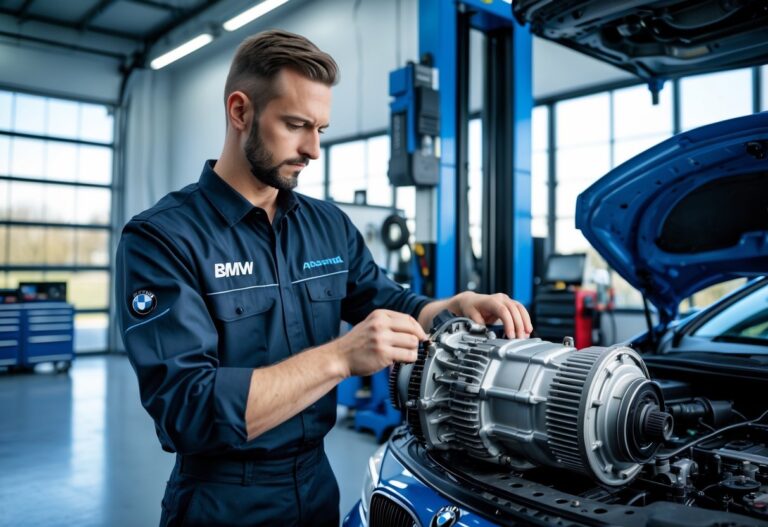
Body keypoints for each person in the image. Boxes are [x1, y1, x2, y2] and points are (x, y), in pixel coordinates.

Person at [116, 29, 532, 527]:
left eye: (321, 129)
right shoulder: (163, 239)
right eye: (296, 125)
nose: (313, 149)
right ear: (240, 111)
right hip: (222, 499)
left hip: (315, 486)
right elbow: (189, 410)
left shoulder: (327, 226)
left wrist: (452, 307)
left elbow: (388, 301)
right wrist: (339, 357)